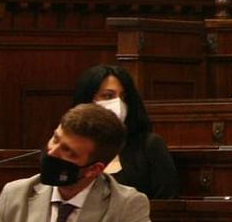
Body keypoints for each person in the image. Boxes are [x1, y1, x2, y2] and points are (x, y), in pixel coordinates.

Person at [0, 104, 152, 222]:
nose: (52, 152)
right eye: (55, 138)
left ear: (94, 169)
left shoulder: (127, 206)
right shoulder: (15, 194)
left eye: (67, 151)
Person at [70, 64, 178, 199]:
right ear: (87, 100)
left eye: (123, 97)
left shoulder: (149, 146)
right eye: (108, 96)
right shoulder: (69, 147)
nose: (118, 104)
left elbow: (167, 203)